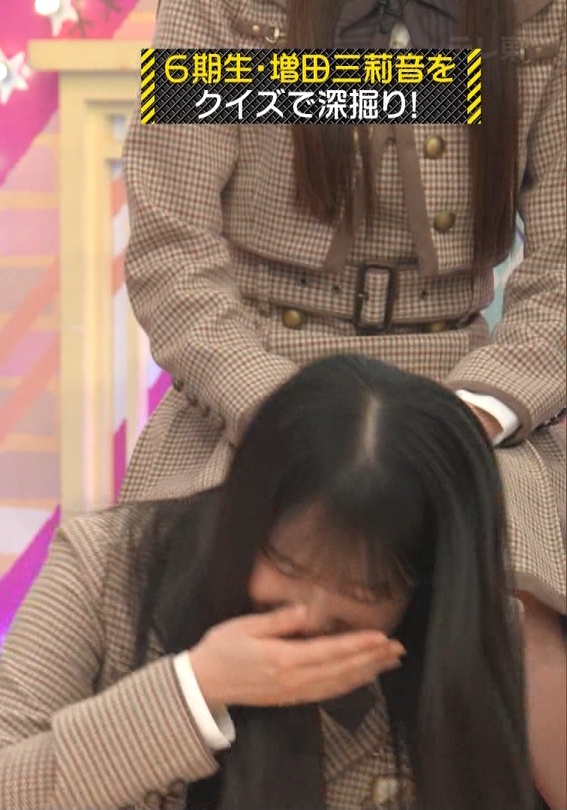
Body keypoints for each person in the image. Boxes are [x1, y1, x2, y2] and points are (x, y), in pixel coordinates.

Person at [117, 1, 565, 805]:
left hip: (462, 390)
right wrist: (274, 414)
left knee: (519, 578)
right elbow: (170, 256)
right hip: (258, 383)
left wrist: (481, 409)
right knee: (162, 589)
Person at [0, 354, 536, 810]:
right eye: (287, 565)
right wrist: (195, 688)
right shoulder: (105, 564)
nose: (308, 613)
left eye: (364, 593)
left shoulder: (462, 631)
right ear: (245, 515)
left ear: (428, 584)